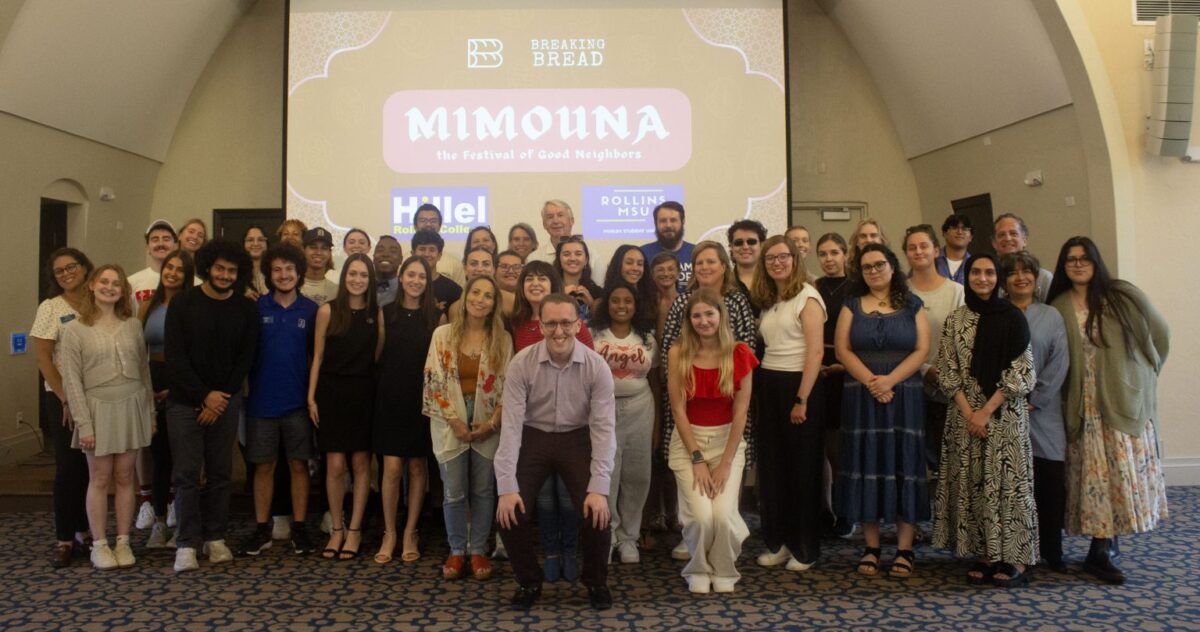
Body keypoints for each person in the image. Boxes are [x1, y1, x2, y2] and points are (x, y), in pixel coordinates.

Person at [1047, 236, 1169, 585]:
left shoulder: (1122, 295)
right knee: (1094, 478)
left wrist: (1141, 379)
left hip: (1120, 401)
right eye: (1070, 259)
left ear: (1096, 261)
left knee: (1117, 475)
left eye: (1084, 258)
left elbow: (1160, 336)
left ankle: (1103, 548)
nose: (1078, 264)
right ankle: (1101, 547)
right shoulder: (1058, 305)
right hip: (1081, 407)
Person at [495, 294, 616, 611]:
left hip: (578, 437)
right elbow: (510, 426)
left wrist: (599, 487)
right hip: (533, 436)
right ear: (540, 325)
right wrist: (506, 486)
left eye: (566, 323)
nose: (559, 331)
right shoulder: (522, 363)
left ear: (578, 325)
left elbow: (604, 428)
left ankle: (596, 582)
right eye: (551, 323)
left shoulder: (596, 366)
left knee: (598, 511)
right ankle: (528, 581)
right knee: (509, 511)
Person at [932, 253, 1037, 587]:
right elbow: (947, 372)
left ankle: (1017, 559)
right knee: (975, 484)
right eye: (976, 272)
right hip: (965, 416)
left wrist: (986, 411)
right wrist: (969, 413)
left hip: (1003, 415)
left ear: (998, 277)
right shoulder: (955, 319)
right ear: (968, 277)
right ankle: (987, 554)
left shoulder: (1014, 318)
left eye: (989, 272)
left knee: (1008, 486)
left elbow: (1024, 372)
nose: (982, 278)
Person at [659, 241, 758, 563]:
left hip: (727, 413)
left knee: (721, 506)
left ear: (723, 266)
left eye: (710, 262)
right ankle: (697, 548)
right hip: (690, 413)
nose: (703, 267)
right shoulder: (682, 307)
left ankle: (720, 550)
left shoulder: (738, 307)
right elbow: (669, 351)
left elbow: (744, 348)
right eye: (698, 262)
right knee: (699, 507)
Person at [834, 243, 929, 578]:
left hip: (904, 393)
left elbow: (922, 349)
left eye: (879, 265)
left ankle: (904, 549)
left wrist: (890, 381)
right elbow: (843, 350)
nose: (873, 271)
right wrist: (873, 382)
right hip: (862, 394)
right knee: (866, 463)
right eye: (867, 267)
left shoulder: (912, 303)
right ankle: (871, 546)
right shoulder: (851, 304)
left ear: (892, 266)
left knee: (904, 464)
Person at [164, 239, 259, 572]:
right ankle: (186, 544)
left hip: (226, 402)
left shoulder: (246, 309)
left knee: (220, 474)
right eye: (219, 268)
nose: (224, 275)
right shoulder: (183, 303)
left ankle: (215, 537)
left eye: (232, 270)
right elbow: (175, 357)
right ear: (207, 267)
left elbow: (245, 358)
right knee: (187, 475)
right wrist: (205, 395)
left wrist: (220, 398)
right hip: (184, 403)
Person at [58, 265, 154, 570]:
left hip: (131, 404)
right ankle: (99, 544)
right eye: (104, 282)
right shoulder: (74, 329)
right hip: (97, 408)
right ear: (92, 286)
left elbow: (144, 371)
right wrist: (83, 422)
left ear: (123, 291)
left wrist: (149, 413)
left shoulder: (132, 326)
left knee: (126, 477)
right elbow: (71, 380)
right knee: (99, 478)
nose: (110, 287)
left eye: (116, 284)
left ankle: (123, 541)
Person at [509, 261, 594, 583]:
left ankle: (570, 550)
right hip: (533, 427)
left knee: (568, 497)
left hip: (572, 426)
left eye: (541, 277)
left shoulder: (576, 327)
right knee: (544, 497)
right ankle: (552, 552)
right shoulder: (516, 323)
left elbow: (587, 373)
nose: (535, 283)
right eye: (528, 277)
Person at [424, 276, 513, 580]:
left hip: (488, 419)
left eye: (488, 295)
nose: (480, 299)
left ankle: (477, 551)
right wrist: (455, 421)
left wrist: (491, 423)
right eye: (475, 292)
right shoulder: (442, 334)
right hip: (450, 418)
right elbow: (433, 381)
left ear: (494, 304)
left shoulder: (502, 338)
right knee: (454, 492)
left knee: (485, 490)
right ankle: (457, 550)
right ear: (465, 297)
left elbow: (508, 386)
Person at [235, 243, 319, 558]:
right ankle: (261, 528)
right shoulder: (255, 308)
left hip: (298, 404)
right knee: (263, 467)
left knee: (299, 466)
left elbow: (317, 357)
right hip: (260, 404)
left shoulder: (311, 311)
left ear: (299, 272)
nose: (284, 275)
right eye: (277, 269)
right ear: (269, 273)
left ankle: (299, 527)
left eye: (289, 269)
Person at [750, 237, 827, 572]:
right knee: (773, 469)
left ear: (795, 259)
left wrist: (802, 399)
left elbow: (816, 352)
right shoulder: (769, 299)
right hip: (769, 385)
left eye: (783, 256)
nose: (777, 262)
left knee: (802, 470)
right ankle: (779, 541)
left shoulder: (808, 297)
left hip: (799, 387)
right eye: (770, 258)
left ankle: (805, 547)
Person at [308, 253, 384, 561]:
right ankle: (336, 529)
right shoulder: (327, 311)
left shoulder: (375, 313)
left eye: (363, 275)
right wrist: (311, 396)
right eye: (352, 274)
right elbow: (318, 357)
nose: (357, 280)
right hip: (330, 394)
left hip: (363, 394)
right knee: (335, 466)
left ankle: (355, 530)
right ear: (344, 277)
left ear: (370, 280)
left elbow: (376, 355)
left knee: (361, 465)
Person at [1002, 251, 1069, 573]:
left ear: (1035, 276)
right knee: (1013, 484)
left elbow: (1060, 362)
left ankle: (1052, 550)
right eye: (1012, 272)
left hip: (1045, 410)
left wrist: (1036, 397)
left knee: (1050, 480)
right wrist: (1012, 397)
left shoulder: (1051, 315)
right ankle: (1014, 548)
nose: (1020, 277)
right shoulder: (996, 314)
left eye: (1026, 271)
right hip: (1004, 408)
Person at [376, 257, 441, 565]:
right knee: (391, 469)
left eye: (422, 276)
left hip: (422, 403)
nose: (416, 280)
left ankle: (410, 532)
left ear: (428, 282)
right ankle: (389, 531)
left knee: (417, 469)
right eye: (411, 275)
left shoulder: (436, 316)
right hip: (390, 399)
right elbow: (377, 357)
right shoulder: (385, 313)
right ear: (401, 278)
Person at [33, 248, 95, 568]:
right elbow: (44, 356)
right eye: (59, 271)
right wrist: (65, 396)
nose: (66, 273)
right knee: (68, 469)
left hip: (97, 396)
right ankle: (64, 538)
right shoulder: (51, 307)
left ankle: (85, 531)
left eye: (72, 267)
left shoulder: (99, 299)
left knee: (91, 469)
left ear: (85, 268)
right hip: (63, 400)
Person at [591, 281, 659, 564]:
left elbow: (655, 381)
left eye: (627, 301)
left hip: (641, 410)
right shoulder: (593, 335)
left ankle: (628, 538)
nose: (621, 306)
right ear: (607, 304)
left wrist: (657, 427)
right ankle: (605, 536)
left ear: (636, 305)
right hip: (602, 413)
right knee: (607, 476)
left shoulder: (648, 339)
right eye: (615, 300)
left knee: (637, 476)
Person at [138, 250, 194, 549]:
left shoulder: (192, 306)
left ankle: (182, 524)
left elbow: (195, 353)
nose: (172, 272)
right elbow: (138, 351)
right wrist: (147, 388)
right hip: (151, 380)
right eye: (169, 267)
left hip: (181, 382)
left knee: (183, 460)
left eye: (180, 269)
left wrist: (176, 388)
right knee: (159, 458)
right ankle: (159, 523)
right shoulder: (148, 305)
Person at [903, 225, 965, 472]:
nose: (918, 252)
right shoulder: (900, 293)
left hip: (948, 387)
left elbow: (962, 338)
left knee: (946, 460)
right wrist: (924, 369)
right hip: (909, 383)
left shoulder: (956, 292)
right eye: (912, 247)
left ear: (936, 250)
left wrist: (943, 372)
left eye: (924, 246)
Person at [814, 233, 852, 536]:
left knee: (841, 450)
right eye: (823, 254)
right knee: (820, 447)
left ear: (845, 254)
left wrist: (844, 364)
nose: (829, 259)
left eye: (834, 253)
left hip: (847, 372)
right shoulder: (812, 288)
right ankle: (824, 510)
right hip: (817, 371)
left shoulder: (855, 288)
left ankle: (846, 512)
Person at [510, 261, 595, 351]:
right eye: (529, 279)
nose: (535, 284)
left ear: (553, 285)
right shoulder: (517, 322)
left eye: (542, 279)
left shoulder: (570, 322)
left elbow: (590, 361)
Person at [992, 213, 1052, 302]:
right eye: (1001, 235)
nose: (1008, 238)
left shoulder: (1043, 278)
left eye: (1013, 233)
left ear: (1024, 240)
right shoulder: (988, 278)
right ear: (994, 243)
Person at [600, 244, 659, 327]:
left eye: (640, 264)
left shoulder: (653, 298)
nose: (635, 268)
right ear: (618, 265)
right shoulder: (603, 300)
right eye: (629, 263)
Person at [640, 201, 695, 287]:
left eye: (673, 220)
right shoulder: (643, 254)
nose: (668, 225)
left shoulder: (696, 253)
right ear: (655, 223)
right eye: (663, 221)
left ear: (683, 222)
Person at [412, 229, 463, 315]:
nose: (427, 254)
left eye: (432, 250)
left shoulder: (453, 290)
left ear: (439, 256)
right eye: (422, 249)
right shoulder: (405, 286)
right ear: (413, 254)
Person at [129, 219, 178, 306]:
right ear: (147, 248)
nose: (161, 244)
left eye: (166, 239)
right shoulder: (131, 282)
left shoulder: (194, 282)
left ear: (175, 246)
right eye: (155, 239)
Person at [413, 203, 466, 284]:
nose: (428, 224)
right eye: (423, 220)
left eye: (433, 221)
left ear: (440, 226)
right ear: (415, 226)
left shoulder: (454, 264)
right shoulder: (403, 262)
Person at [554, 236, 602, 321]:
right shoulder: (550, 290)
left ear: (586, 260)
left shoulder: (599, 293)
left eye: (578, 254)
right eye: (566, 254)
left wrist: (592, 305)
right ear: (559, 259)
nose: (572, 258)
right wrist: (559, 298)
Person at [447, 247, 497, 323]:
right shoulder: (455, 308)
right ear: (465, 268)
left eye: (486, 264)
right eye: (474, 264)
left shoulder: (507, 302)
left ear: (493, 269)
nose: (480, 269)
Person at [728, 219, 767, 310]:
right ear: (731, 247)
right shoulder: (723, 283)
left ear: (761, 245)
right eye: (738, 243)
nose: (745, 247)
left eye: (751, 242)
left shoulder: (774, 280)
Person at [527, 200, 576, 264]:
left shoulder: (590, 255)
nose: (555, 221)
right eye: (550, 217)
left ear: (571, 221)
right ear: (544, 224)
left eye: (560, 215)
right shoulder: (534, 258)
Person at [301, 227, 338, 305]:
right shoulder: (292, 287)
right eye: (313, 247)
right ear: (304, 250)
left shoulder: (336, 291)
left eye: (324, 248)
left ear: (330, 253)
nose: (318, 252)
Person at [650, 252, 680, 344]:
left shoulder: (687, 302)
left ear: (678, 273)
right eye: (660, 270)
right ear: (652, 274)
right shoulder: (647, 304)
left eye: (671, 269)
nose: (666, 273)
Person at [937, 214, 974, 284]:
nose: (959, 232)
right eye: (954, 228)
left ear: (971, 237)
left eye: (965, 229)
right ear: (945, 233)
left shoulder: (975, 263)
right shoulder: (932, 260)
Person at [373, 235, 403, 307]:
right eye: (380, 250)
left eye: (393, 251)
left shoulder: (407, 290)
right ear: (373, 258)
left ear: (401, 259)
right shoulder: (361, 286)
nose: (385, 254)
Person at [242, 226, 269, 298]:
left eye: (260, 240)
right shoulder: (236, 271)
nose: (256, 243)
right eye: (250, 240)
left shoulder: (274, 270)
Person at [495, 249, 524, 316]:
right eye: (504, 267)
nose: (511, 271)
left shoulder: (529, 299)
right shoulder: (489, 298)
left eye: (516, 267)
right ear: (494, 270)